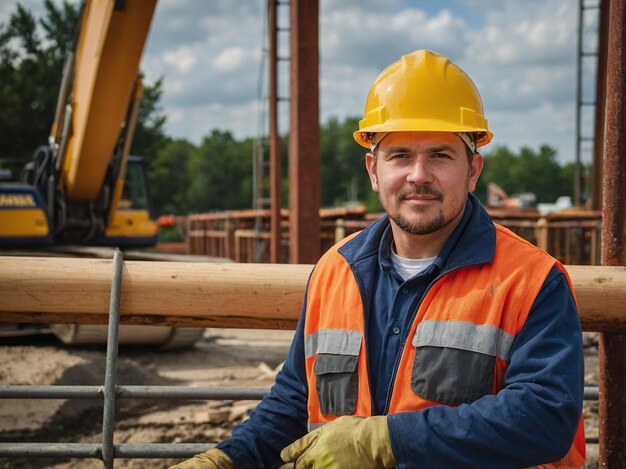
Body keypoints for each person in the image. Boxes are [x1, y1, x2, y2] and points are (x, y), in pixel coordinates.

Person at [172, 49, 585, 469]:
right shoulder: (335, 271)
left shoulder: (531, 279)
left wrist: (388, 441)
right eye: (400, 155)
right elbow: (297, 400)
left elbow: (545, 417)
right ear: (373, 170)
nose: (418, 174)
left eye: (440, 155)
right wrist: (226, 459)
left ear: (473, 170)